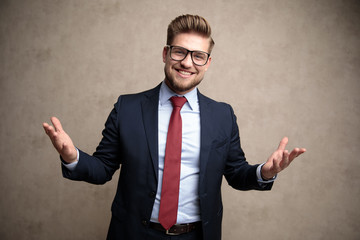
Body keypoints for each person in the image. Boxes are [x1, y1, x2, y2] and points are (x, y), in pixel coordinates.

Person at [43, 14, 306, 240]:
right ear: (166, 53)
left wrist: (265, 172)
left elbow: (236, 173)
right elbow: (102, 169)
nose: (187, 62)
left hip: (197, 235)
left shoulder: (222, 115)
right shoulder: (128, 108)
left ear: (208, 63)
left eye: (198, 56)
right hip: (134, 233)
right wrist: (72, 156)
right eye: (180, 51)